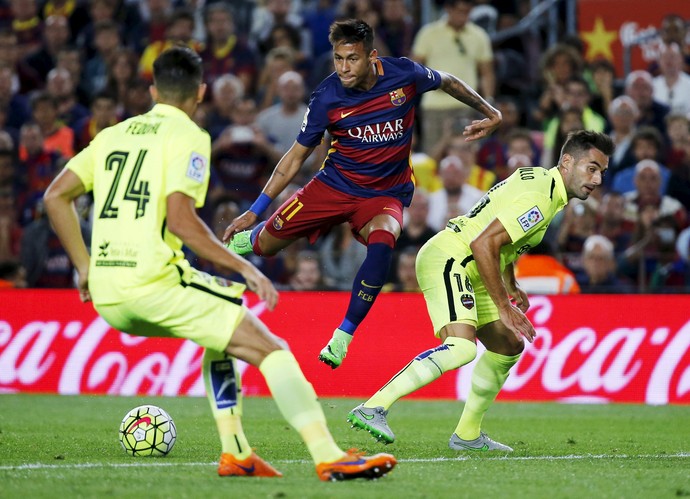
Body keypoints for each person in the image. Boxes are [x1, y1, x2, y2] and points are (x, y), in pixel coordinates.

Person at [43, 46, 396, 481]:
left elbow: (55, 196)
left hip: (108, 292)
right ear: (202, 92)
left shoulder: (112, 135)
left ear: (153, 89)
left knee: (222, 333)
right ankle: (328, 454)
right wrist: (245, 267)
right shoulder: (189, 136)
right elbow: (181, 220)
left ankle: (236, 452)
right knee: (273, 350)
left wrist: (84, 266)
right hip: (155, 283)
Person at [223, 19, 501, 369]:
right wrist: (255, 210)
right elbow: (295, 157)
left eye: (351, 59)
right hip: (334, 185)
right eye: (338, 59)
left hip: (385, 193)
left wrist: (490, 112)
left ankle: (344, 335)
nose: (343, 68)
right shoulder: (327, 96)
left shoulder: (403, 74)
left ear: (371, 56)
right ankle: (241, 242)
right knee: (266, 244)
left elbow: (447, 80)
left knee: (384, 238)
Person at [347, 130, 614, 451]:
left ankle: (468, 436)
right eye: (592, 168)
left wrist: (510, 281)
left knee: (507, 345)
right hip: (452, 256)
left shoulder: (541, 181)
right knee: (462, 347)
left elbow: (501, 234)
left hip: (472, 261)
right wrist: (504, 305)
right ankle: (374, 406)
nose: (597, 180)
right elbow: (484, 242)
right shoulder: (542, 199)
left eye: (601, 172)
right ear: (568, 162)